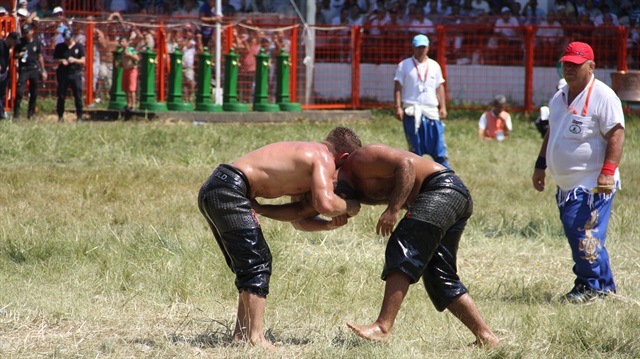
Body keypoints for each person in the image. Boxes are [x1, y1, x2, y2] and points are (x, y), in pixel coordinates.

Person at [197, 127, 362, 349]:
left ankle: (241, 334)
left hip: (219, 186)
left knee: (249, 264)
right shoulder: (322, 157)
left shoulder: (306, 160)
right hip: (230, 189)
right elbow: (326, 204)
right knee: (257, 263)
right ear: (343, 158)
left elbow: (298, 219)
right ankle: (255, 338)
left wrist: (328, 224)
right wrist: (351, 206)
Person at [334, 143, 499, 347]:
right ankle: (486, 337)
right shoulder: (356, 185)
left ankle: (383, 327)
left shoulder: (361, 157)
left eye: (330, 176)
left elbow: (407, 164)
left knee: (403, 243)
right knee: (438, 274)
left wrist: (393, 210)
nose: (329, 185)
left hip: (442, 188)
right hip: (452, 196)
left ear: (342, 158)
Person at [532, 42, 625, 303]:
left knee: (582, 232)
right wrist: (541, 165)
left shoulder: (604, 96)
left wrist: (607, 172)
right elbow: (553, 131)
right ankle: (603, 287)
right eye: (566, 63)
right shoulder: (560, 95)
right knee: (583, 233)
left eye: (575, 64)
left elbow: (616, 133)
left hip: (592, 182)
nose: (569, 68)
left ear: (591, 66)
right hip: (566, 184)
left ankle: (590, 286)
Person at [393, 34, 449, 169]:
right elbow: (398, 87)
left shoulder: (434, 65)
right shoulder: (404, 65)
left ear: (428, 48)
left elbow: (439, 86)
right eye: (418, 47)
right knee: (415, 148)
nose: (421, 50)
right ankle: (418, 175)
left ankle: (445, 173)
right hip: (412, 110)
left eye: (423, 47)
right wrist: (398, 107)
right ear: (413, 47)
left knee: (438, 146)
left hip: (430, 110)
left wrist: (443, 107)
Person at [13, 24, 47, 121]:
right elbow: (15, 56)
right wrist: (19, 55)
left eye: (27, 32)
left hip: (34, 69)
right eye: (24, 33)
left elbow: (40, 56)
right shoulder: (20, 43)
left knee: (34, 92)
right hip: (24, 69)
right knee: (19, 91)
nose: (26, 34)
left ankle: (31, 114)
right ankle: (16, 114)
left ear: (31, 32)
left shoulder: (36, 42)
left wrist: (43, 70)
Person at [53, 29, 85, 123]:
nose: (67, 41)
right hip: (63, 74)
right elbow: (54, 60)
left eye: (69, 39)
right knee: (61, 95)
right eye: (65, 39)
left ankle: (79, 116)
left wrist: (74, 60)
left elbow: (83, 61)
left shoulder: (79, 47)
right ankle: (60, 116)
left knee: (78, 95)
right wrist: (61, 61)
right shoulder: (59, 47)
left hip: (75, 73)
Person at [0, 32, 19, 120]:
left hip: (3, 73)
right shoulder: (1, 44)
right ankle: (2, 113)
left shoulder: (8, 47)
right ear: (10, 39)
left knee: (2, 94)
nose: (14, 44)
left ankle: (1, 112)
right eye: (14, 42)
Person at [119, 36, 139, 111]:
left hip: (132, 70)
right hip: (125, 70)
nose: (121, 43)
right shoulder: (121, 52)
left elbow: (137, 58)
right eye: (121, 42)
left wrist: (130, 55)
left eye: (123, 42)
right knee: (126, 89)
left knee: (131, 89)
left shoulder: (131, 50)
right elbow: (122, 62)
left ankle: (133, 105)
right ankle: (128, 104)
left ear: (127, 43)